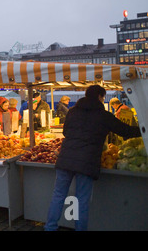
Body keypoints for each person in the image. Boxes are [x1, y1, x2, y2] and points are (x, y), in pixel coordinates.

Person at [45, 85, 141, 231]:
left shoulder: (72, 112)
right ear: (99, 97)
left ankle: (50, 227)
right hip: (87, 161)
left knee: (58, 195)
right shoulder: (104, 115)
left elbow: (65, 132)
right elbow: (125, 130)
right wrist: (144, 129)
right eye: (103, 97)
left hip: (66, 158)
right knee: (81, 200)